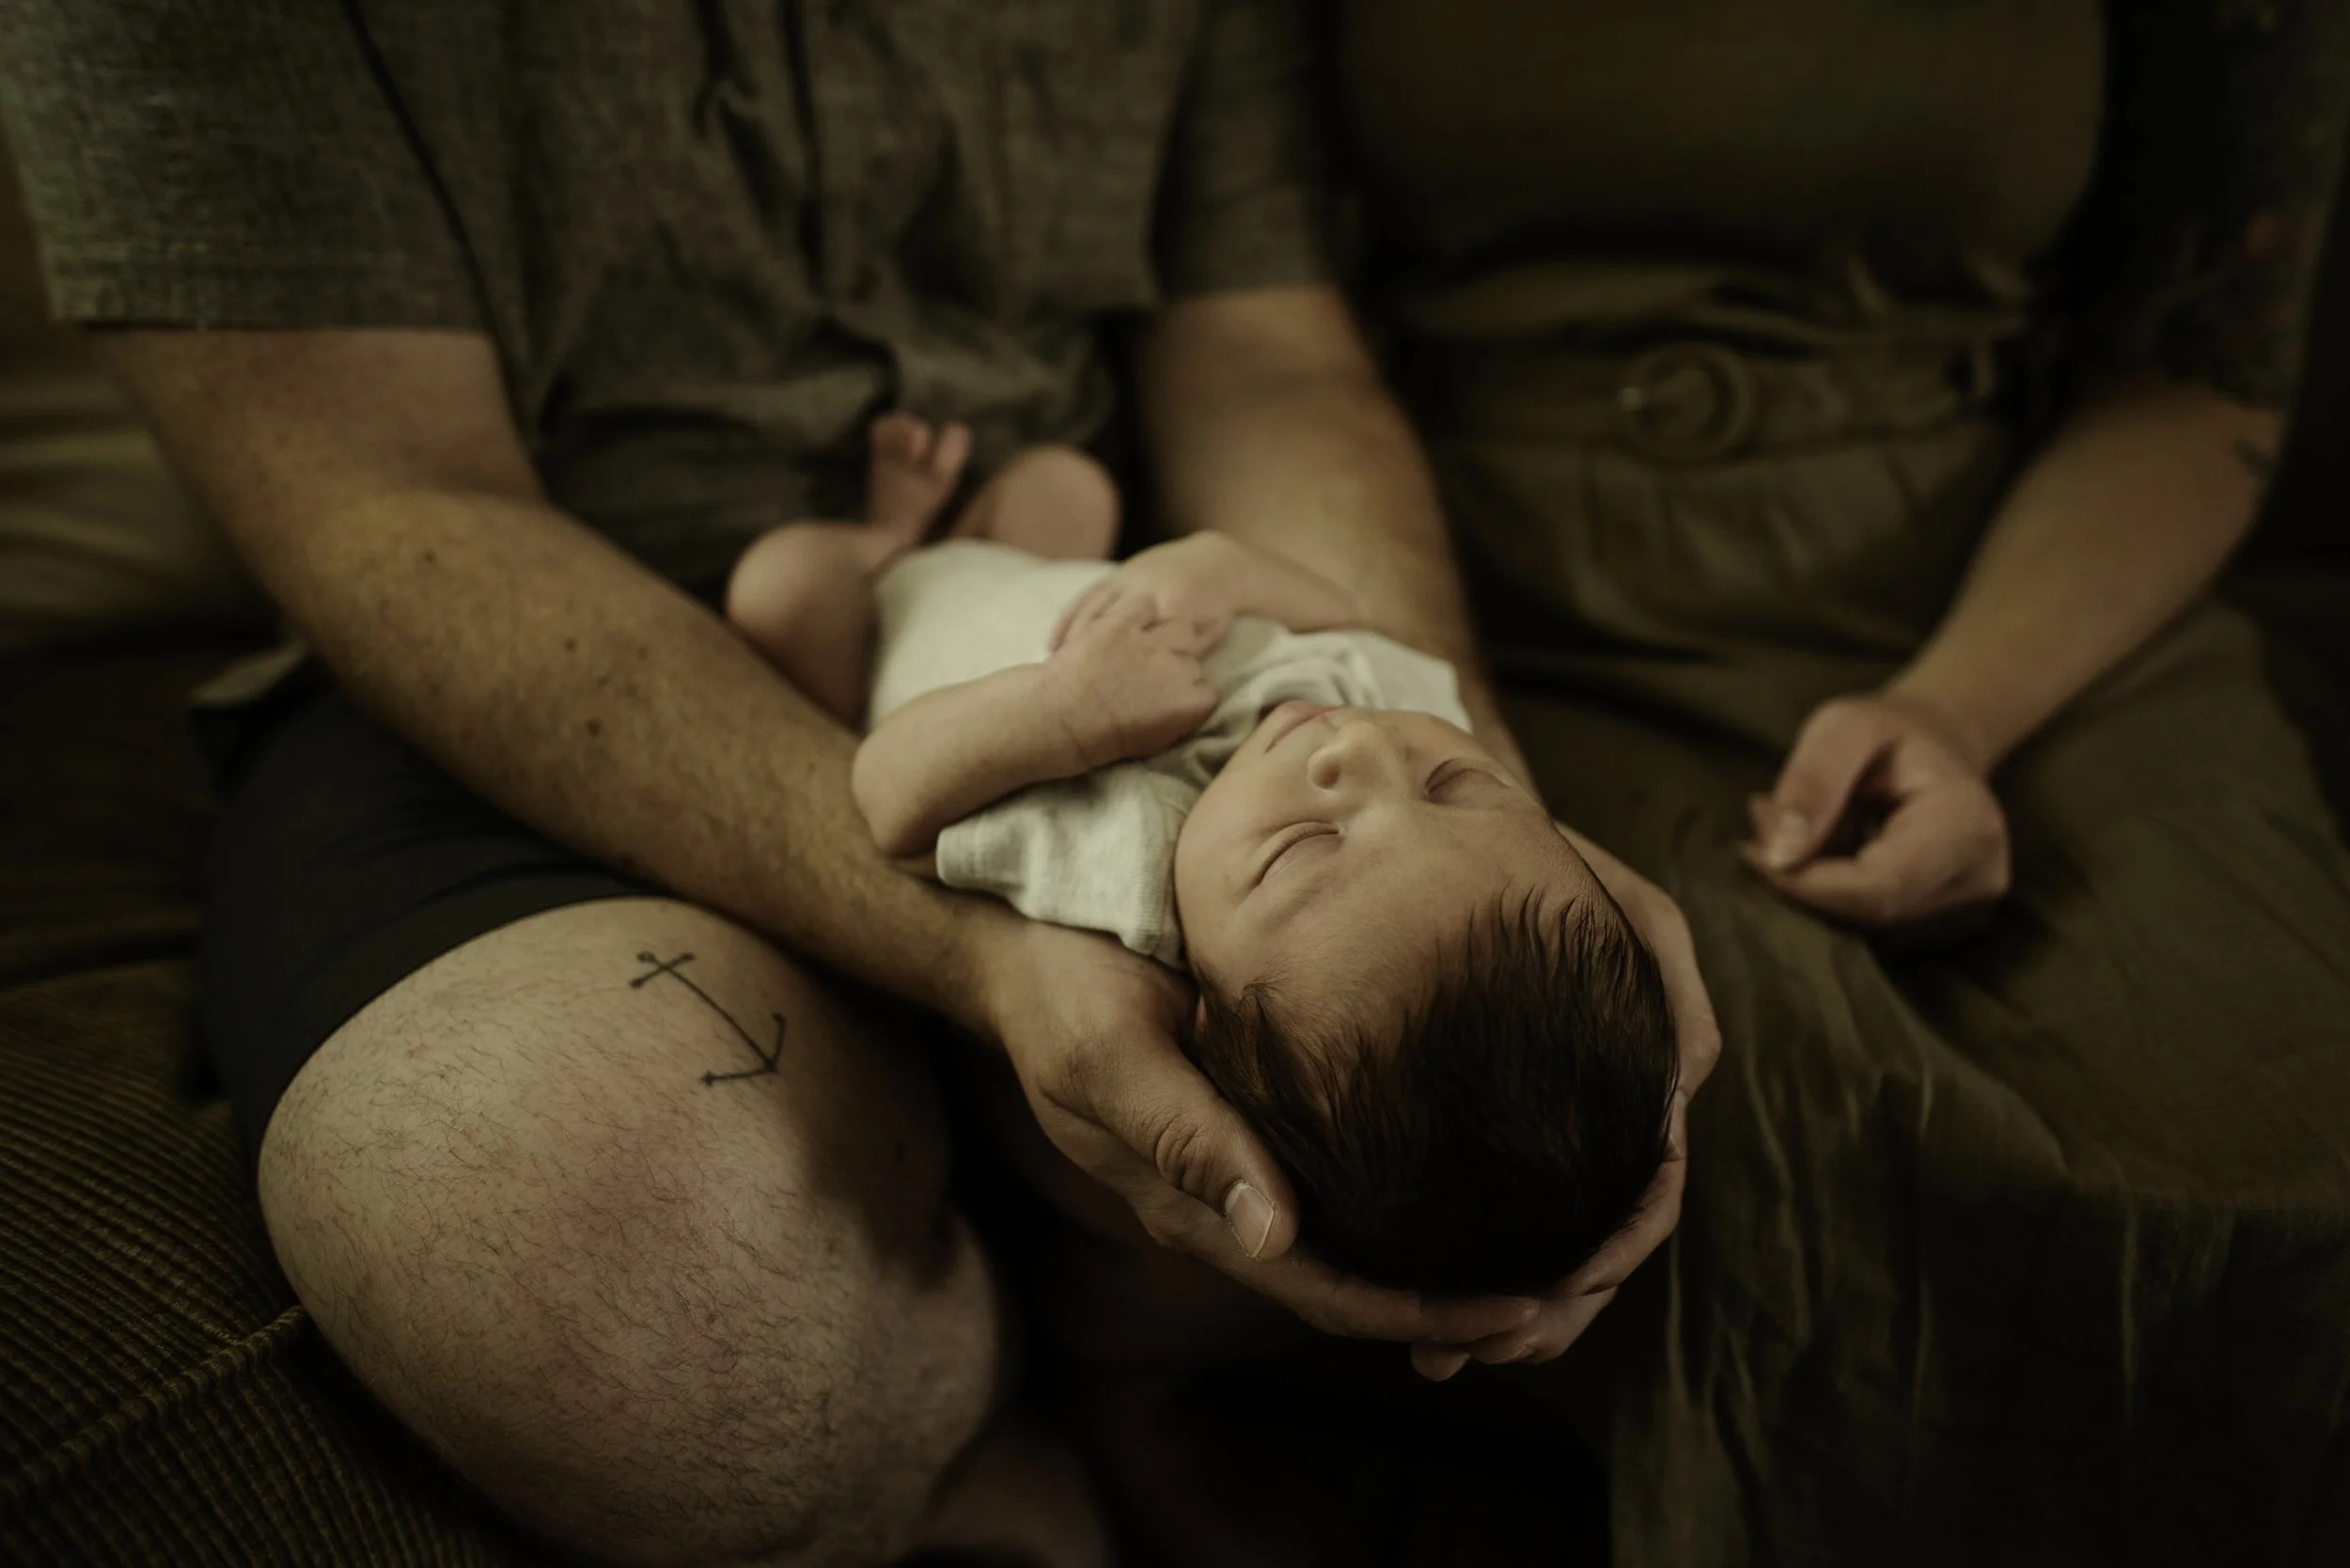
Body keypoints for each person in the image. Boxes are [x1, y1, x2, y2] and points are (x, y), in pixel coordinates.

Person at [0, 3, 1719, 1562]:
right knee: (585, 1243)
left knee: (1357, 1103)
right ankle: (980, 1468)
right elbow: (382, 499)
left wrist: (1471, 781)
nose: (1357, 770)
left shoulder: (1280, 798)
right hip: (511, 651)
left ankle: (1120, 1385)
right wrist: (986, 951)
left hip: (1061, 552)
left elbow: (1263, 353)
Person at [1332, 0, 2350, 1560]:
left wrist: (1956, 707)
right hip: (1470, 601)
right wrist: (1461, 774)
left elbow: (2196, 372)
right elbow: (1255, 327)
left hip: (2022, 577)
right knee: (1718, 1143)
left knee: (2274, 1166)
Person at [727, 416, 1681, 1296]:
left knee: (781, 583)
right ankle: (943, 532)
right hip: (1025, 577)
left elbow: (888, 798)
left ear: (1203, 1012)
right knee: (1068, 486)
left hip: (875, 639)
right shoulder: (1367, 706)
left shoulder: (1122, 863)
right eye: (1454, 786)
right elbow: (1330, 607)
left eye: (1306, 843)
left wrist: (1063, 715)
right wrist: (1213, 574)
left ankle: (881, 539)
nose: (1356, 752)